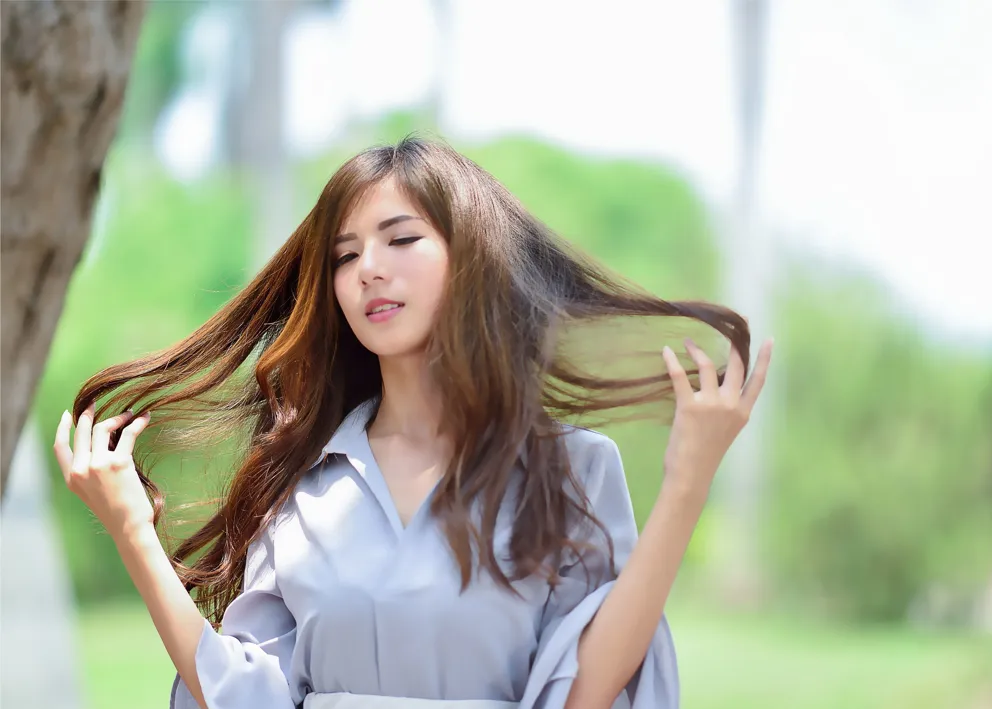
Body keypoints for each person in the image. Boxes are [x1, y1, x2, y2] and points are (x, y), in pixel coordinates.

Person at [53, 137, 772, 709]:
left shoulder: (570, 470)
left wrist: (686, 483)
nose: (369, 268)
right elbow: (244, 697)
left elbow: (587, 689)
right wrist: (133, 534)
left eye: (400, 239)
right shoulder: (301, 486)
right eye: (345, 254)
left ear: (471, 258)